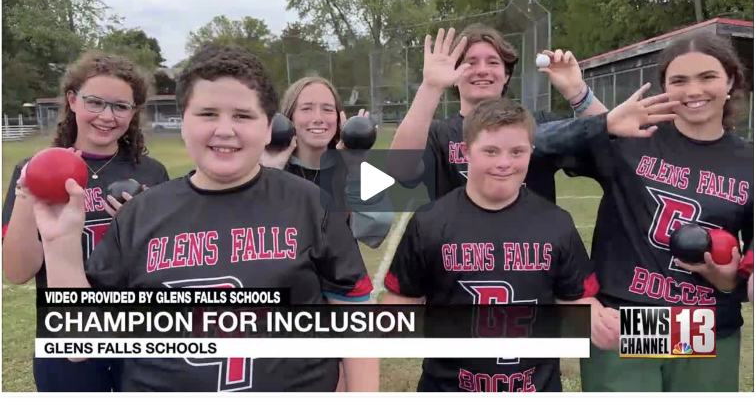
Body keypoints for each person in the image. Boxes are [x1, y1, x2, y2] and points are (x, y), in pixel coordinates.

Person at [28, 44, 379, 392]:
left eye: (243, 116)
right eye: (207, 114)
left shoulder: (311, 205)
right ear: (183, 123)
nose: (225, 130)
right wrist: (60, 246)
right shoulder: (140, 215)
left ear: (270, 128)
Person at [379, 94, 677, 392]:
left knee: (700, 334)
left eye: (517, 151)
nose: (504, 163)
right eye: (491, 151)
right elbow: (397, 309)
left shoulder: (555, 222)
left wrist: (602, 322)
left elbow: (577, 300)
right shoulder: (430, 222)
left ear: (531, 152)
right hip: (447, 387)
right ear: (466, 152)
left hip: (537, 387)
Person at [546, 31, 753, 392]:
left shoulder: (748, 162)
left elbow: (747, 265)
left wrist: (729, 277)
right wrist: (583, 101)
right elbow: (531, 145)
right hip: (627, 317)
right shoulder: (635, 140)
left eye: (707, 77)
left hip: (704, 322)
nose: (693, 91)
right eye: (679, 80)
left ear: (731, 80)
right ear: (663, 87)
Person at [2, 51, 170, 392]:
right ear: (72, 100)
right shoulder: (35, 169)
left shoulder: (151, 173)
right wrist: (28, 193)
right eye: (95, 102)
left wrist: (137, 230)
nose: (107, 116)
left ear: (134, 112)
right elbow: (17, 272)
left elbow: (168, 271)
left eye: (121, 106)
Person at [388, 24, 609, 204]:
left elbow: (618, 149)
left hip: (530, 256)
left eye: (493, 62)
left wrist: (576, 92)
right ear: (454, 76)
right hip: (457, 256)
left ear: (506, 75)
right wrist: (430, 86)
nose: (482, 70)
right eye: (470, 63)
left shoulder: (539, 125)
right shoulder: (439, 134)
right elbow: (400, 169)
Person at [261, 76, 393, 249]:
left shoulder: (352, 169)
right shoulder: (271, 170)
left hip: (339, 274)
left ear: (339, 120)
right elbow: (251, 233)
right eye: (306, 109)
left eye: (328, 110)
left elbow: (376, 231)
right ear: (289, 118)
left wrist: (357, 166)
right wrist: (269, 172)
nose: (318, 118)